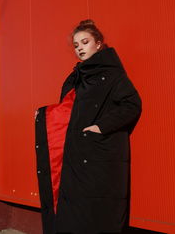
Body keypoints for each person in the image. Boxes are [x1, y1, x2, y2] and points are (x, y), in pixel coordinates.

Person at [35, 20, 142, 234]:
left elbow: (132, 104)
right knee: (72, 213)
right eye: (76, 45)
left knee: (95, 216)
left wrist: (101, 127)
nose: (80, 48)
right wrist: (46, 113)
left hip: (98, 155)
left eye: (85, 42)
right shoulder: (76, 78)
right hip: (76, 156)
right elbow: (69, 110)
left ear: (99, 44)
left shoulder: (112, 75)